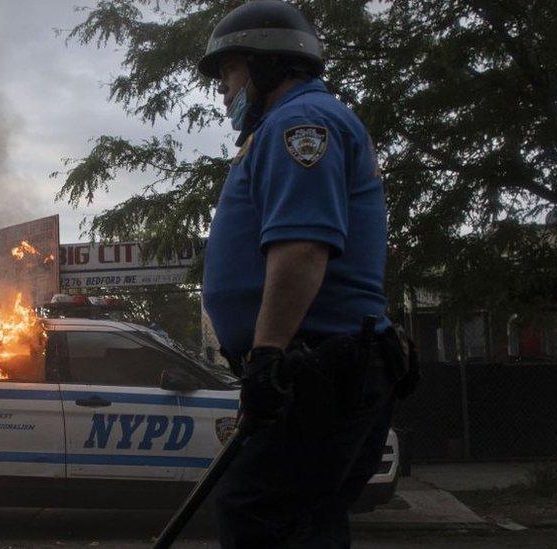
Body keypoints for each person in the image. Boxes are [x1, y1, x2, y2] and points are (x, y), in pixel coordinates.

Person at [198, 2, 415, 547]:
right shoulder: (289, 123)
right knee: (305, 522)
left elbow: (301, 247)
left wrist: (268, 354)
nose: (224, 90)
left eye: (229, 71)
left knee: (256, 512)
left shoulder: (301, 122)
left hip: (316, 362)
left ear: (268, 63)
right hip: (325, 361)